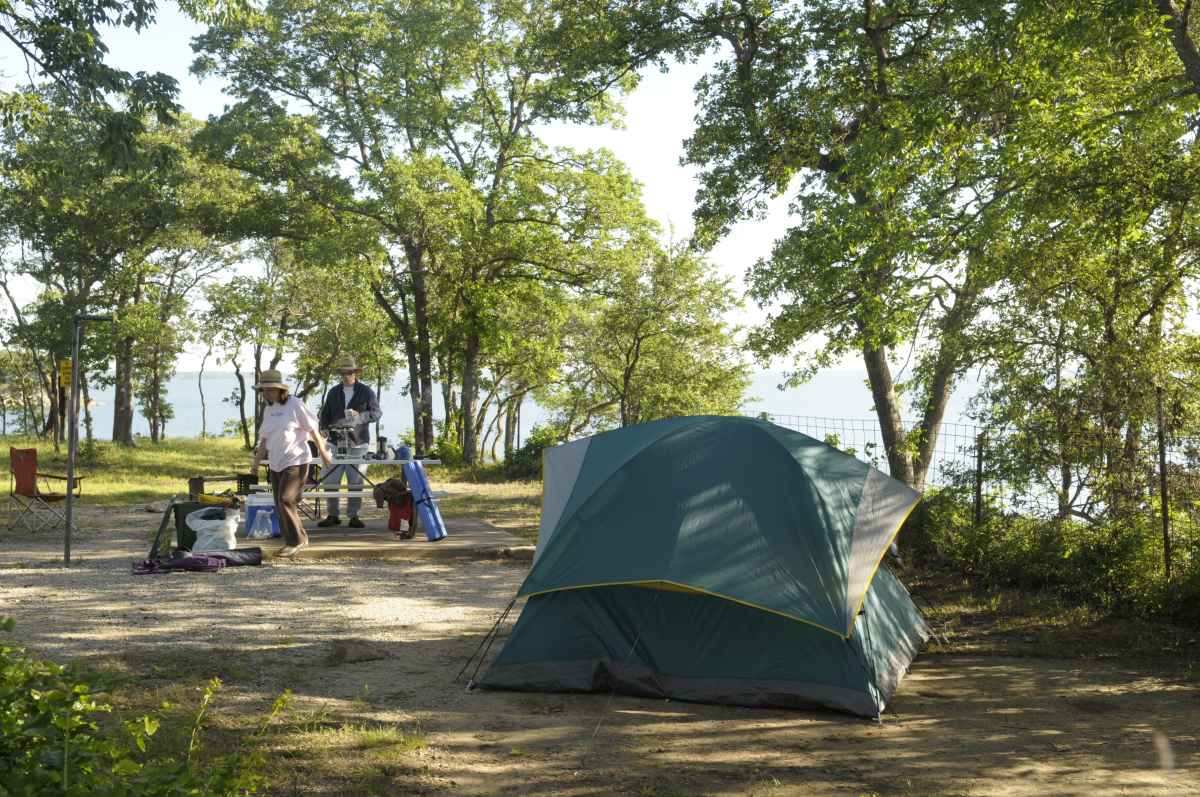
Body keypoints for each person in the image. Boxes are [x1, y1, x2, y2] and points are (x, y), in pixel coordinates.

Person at [251, 369, 333, 558]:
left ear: (281, 390)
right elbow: (264, 440)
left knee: (286, 499)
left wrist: (324, 453)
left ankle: (296, 541)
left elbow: (313, 431)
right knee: (280, 503)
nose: (267, 394)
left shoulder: (295, 404)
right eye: (264, 390)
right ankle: (297, 539)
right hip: (276, 462)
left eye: (270, 389)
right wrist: (255, 464)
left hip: (296, 460)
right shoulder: (269, 410)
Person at [317, 356, 382, 528]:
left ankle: (354, 516)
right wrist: (322, 427)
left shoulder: (366, 392)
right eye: (344, 373)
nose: (347, 375)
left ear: (355, 373)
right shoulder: (333, 392)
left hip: (358, 442)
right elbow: (324, 413)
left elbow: (376, 414)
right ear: (341, 374)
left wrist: (359, 416)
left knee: (356, 482)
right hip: (334, 441)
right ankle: (332, 515)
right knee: (330, 481)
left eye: (350, 372)